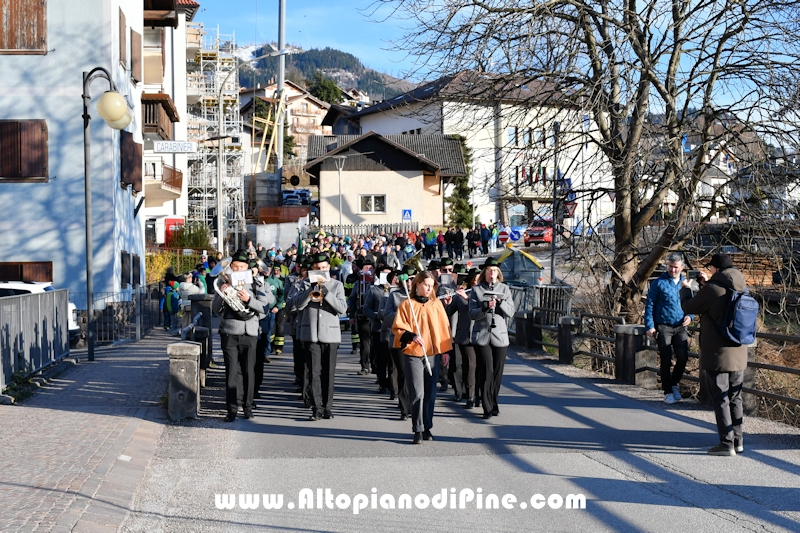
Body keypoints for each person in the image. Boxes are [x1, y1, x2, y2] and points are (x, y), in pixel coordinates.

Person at [681, 253, 749, 456]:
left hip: (718, 353)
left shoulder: (713, 289)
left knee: (721, 398)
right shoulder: (742, 287)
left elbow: (690, 307)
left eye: (710, 268)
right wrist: (705, 285)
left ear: (716, 269)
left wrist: (686, 290)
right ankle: (738, 441)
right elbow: (718, 306)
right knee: (736, 397)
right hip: (739, 351)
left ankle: (725, 444)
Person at [392, 271, 453, 444]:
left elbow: (444, 328)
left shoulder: (437, 305)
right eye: (426, 284)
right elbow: (398, 328)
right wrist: (410, 336)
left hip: (432, 353)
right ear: (417, 284)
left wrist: (445, 351)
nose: (429, 288)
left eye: (431, 285)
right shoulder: (406, 304)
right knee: (417, 392)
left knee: (431, 394)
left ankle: (427, 426)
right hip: (413, 353)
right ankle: (417, 429)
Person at [212, 250, 270, 422]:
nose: (237, 270)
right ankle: (231, 409)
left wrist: (248, 299)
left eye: (242, 267)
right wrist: (223, 294)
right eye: (235, 267)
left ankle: (248, 406)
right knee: (231, 372)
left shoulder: (256, 284)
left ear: (247, 268)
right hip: (230, 331)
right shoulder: (224, 281)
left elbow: (264, 308)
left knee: (248, 371)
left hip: (250, 331)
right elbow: (216, 309)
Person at [289, 252, 348, 420]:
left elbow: (342, 309)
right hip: (311, 334)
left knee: (328, 373)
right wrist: (309, 292)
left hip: (331, 334)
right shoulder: (303, 284)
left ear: (328, 267)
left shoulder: (336, 285)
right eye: (317, 268)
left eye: (323, 268)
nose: (321, 271)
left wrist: (327, 293)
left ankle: (327, 407)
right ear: (312, 270)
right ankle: (316, 408)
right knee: (314, 372)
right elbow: (294, 307)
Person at [644, 253, 694, 404]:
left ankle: (674, 383)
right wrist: (650, 325)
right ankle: (667, 391)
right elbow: (650, 305)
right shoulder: (658, 283)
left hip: (680, 326)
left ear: (682, 268)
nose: (673, 270)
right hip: (664, 325)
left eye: (676, 267)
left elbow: (693, 302)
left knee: (683, 356)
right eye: (671, 267)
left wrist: (690, 316)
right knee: (666, 359)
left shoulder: (686, 283)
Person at [469, 257, 515, 419]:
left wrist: (500, 302)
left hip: (500, 336)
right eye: (489, 270)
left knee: (497, 373)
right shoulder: (477, 290)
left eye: (494, 271)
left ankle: (493, 402)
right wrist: (484, 307)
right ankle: (487, 406)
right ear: (484, 273)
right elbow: (472, 314)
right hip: (482, 337)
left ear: (498, 273)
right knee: (487, 370)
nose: (492, 273)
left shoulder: (505, 289)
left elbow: (511, 311)